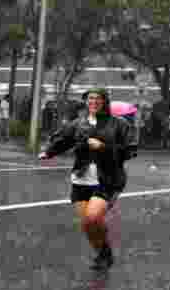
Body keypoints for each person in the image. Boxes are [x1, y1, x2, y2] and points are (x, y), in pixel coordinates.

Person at [38, 88, 135, 271]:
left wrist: (104, 147)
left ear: (105, 102)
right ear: (86, 101)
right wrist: (49, 152)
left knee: (92, 217)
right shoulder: (79, 123)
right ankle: (104, 253)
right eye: (90, 98)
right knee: (88, 224)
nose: (93, 102)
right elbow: (64, 139)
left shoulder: (119, 125)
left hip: (107, 179)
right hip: (81, 179)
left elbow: (129, 150)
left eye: (98, 99)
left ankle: (103, 249)